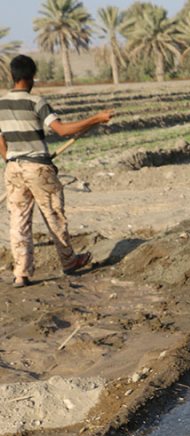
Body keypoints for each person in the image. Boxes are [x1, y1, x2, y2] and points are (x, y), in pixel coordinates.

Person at [0, 55, 113, 288]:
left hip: (13, 168)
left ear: (12, 76)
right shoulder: (36, 102)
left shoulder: (0, 104)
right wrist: (95, 118)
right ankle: (69, 262)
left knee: (18, 221)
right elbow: (61, 130)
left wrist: (11, 159)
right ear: (31, 77)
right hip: (39, 168)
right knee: (54, 215)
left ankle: (21, 273)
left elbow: (0, 140)